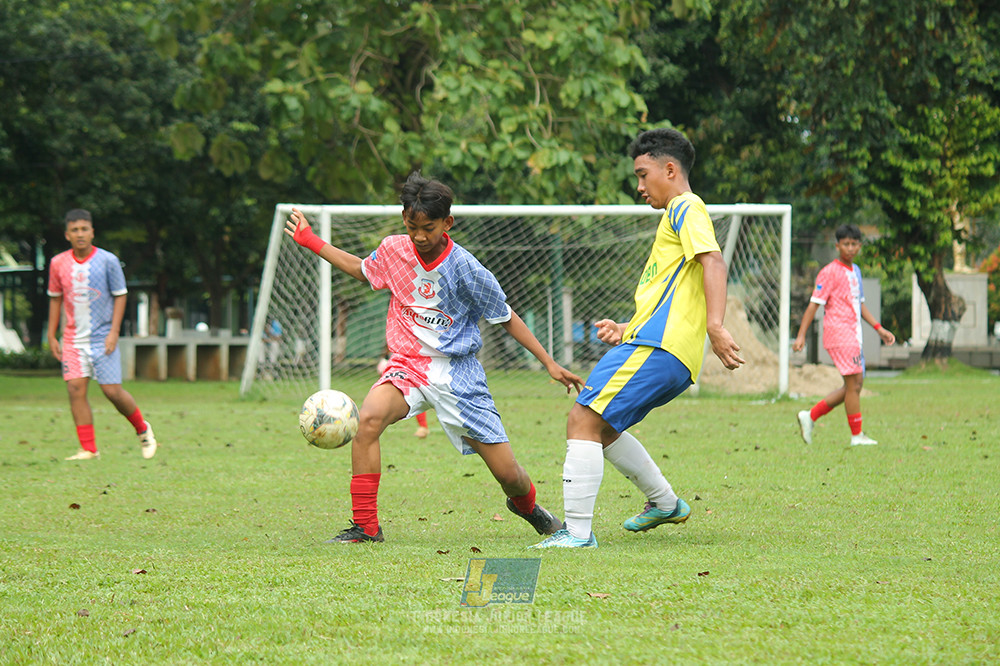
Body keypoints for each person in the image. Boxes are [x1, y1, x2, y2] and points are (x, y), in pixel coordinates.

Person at [285, 171, 583, 544]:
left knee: (509, 475)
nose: (420, 236)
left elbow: (504, 316)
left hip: (459, 376)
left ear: (447, 222)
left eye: (428, 228)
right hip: (407, 365)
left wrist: (549, 363)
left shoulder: (466, 268)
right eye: (412, 227)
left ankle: (529, 508)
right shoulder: (394, 250)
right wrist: (312, 241)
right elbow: (362, 270)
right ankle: (366, 527)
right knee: (368, 422)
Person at [532, 128, 745, 549]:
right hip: (661, 346)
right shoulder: (676, 217)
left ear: (670, 169)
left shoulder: (686, 207)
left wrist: (716, 325)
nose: (639, 185)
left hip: (659, 348)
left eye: (643, 174)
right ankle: (664, 503)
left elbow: (714, 263)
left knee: (582, 418)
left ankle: (575, 533)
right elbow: (676, 293)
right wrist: (627, 329)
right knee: (604, 428)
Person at [47, 209, 157, 461]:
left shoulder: (108, 261)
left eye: (84, 229)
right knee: (75, 389)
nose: (80, 234)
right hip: (73, 339)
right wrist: (52, 335)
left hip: (102, 337)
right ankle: (88, 449)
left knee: (112, 391)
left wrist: (114, 332)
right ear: (67, 235)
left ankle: (142, 429)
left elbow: (120, 295)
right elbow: (55, 299)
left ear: (92, 232)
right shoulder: (57, 263)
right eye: (75, 230)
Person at [792, 223, 896, 446]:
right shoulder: (829, 272)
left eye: (854, 244)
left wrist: (879, 329)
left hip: (853, 334)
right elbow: (813, 305)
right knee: (854, 384)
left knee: (854, 385)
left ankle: (809, 416)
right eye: (846, 244)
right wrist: (801, 335)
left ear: (859, 246)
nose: (850, 248)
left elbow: (860, 306)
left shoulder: (855, 271)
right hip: (839, 334)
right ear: (837, 245)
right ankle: (856, 436)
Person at [378, 344, 429, 438]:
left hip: (407, 381)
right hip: (392, 385)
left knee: (417, 399)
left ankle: (423, 427)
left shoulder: (408, 352)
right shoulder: (385, 360)